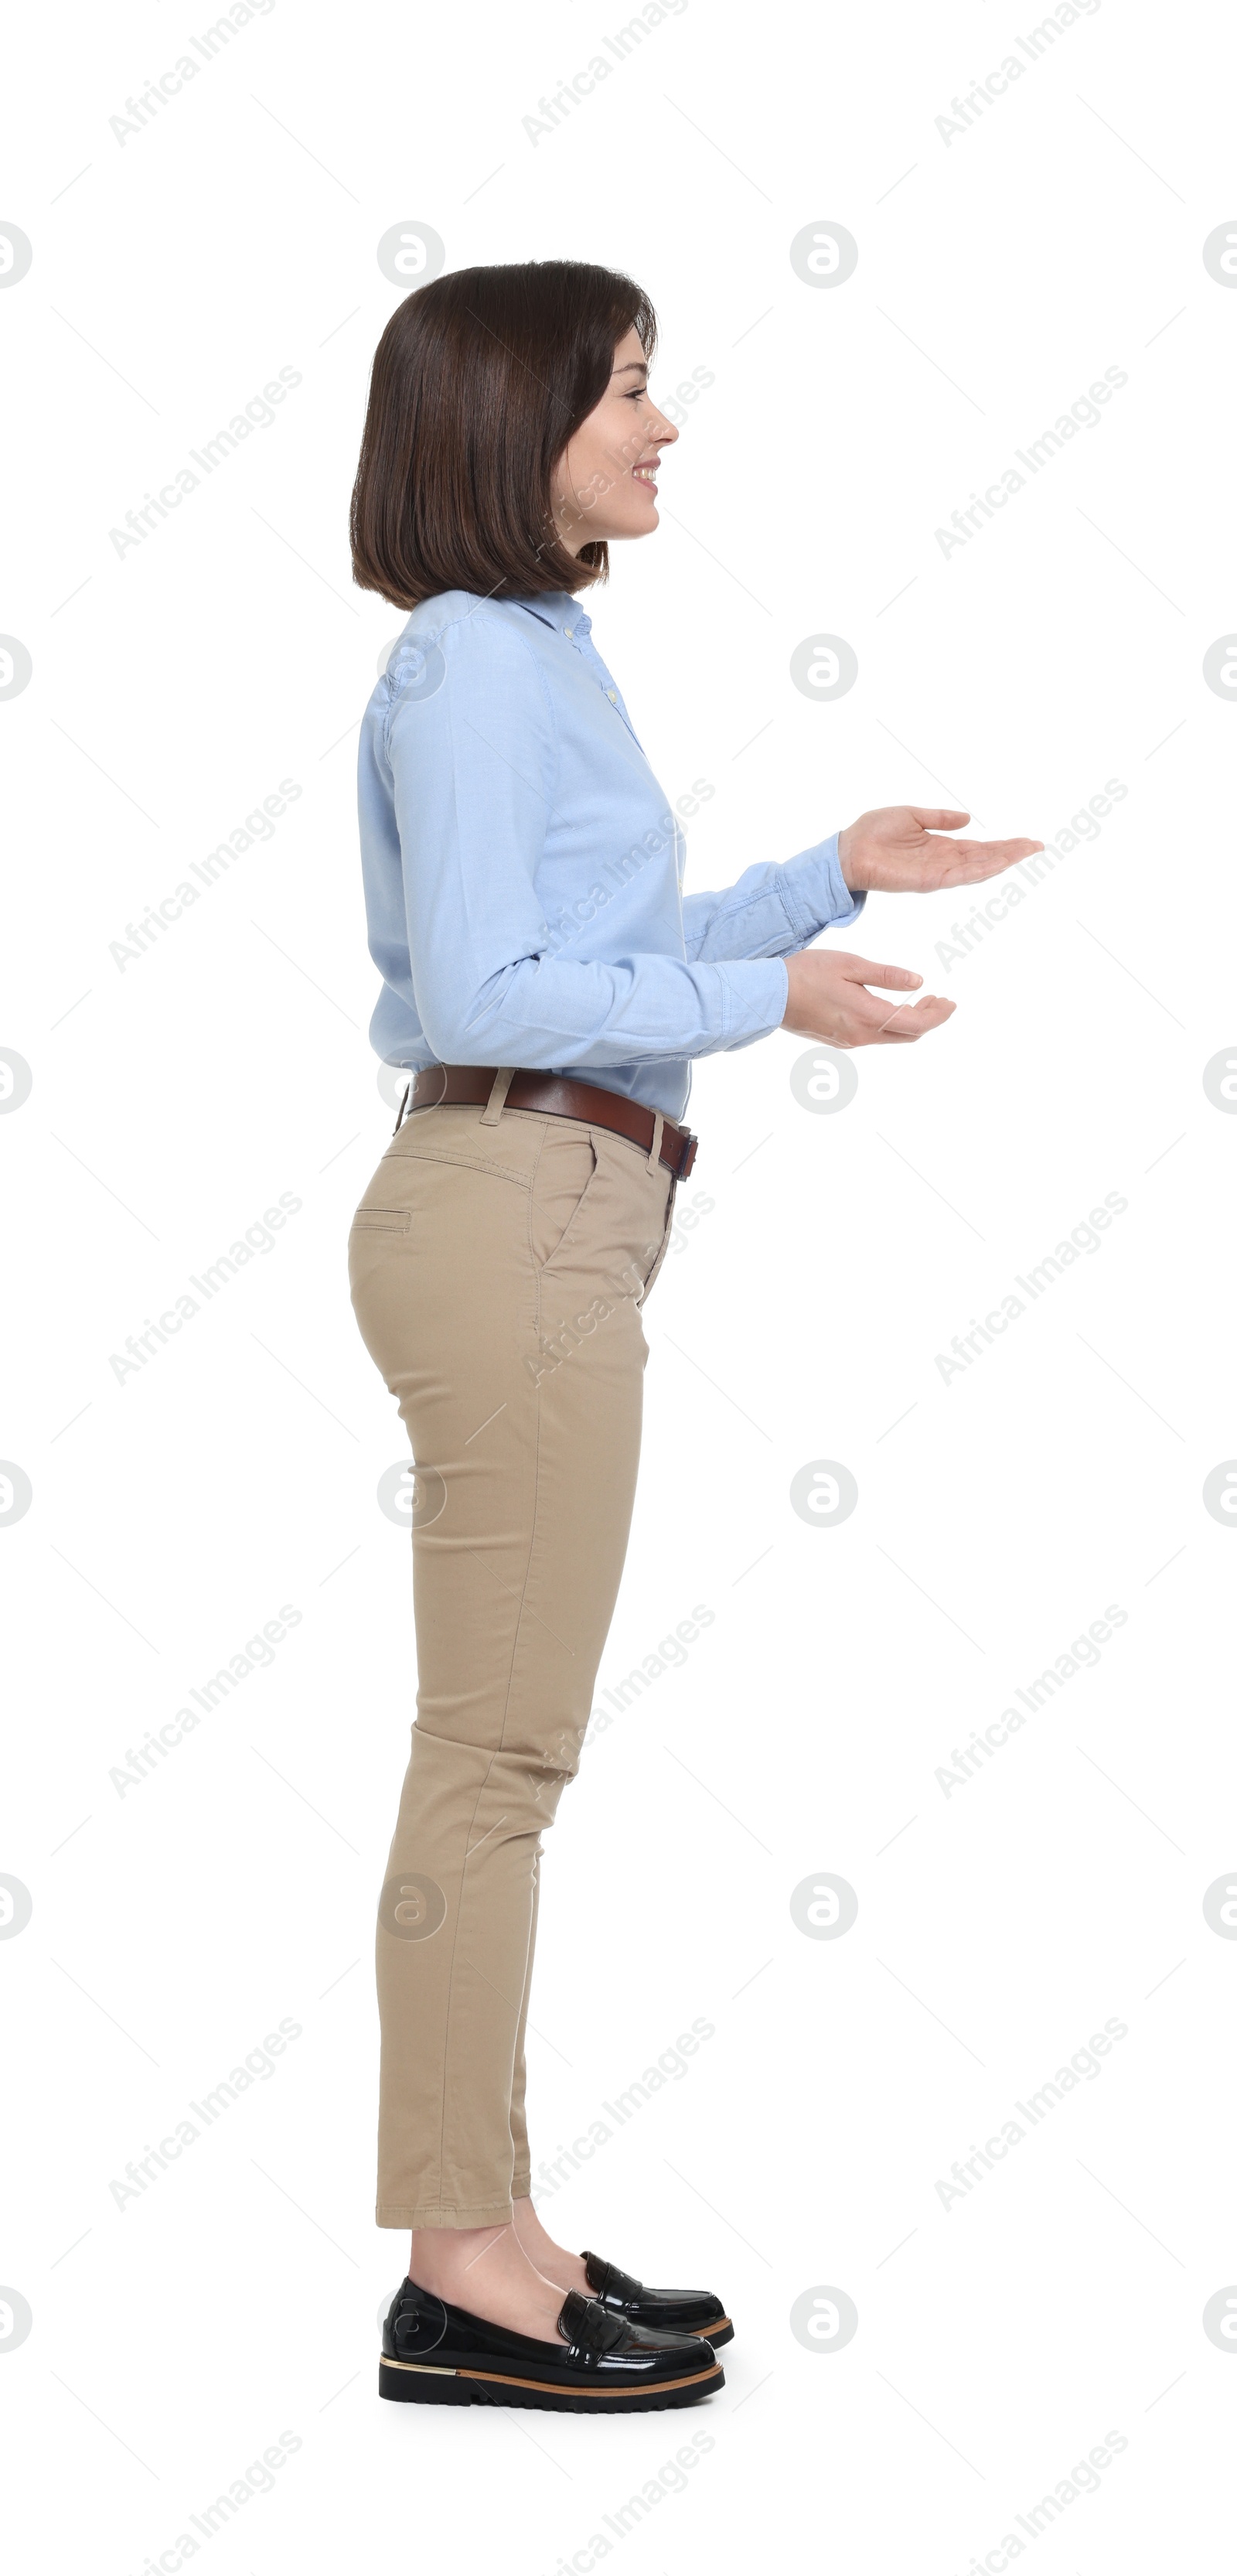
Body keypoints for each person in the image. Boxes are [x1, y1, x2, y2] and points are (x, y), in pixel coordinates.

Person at [347, 259, 1041, 2413]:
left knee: (504, 1745)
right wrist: (767, 999)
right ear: (508, 419)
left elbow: (600, 955)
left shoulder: (537, 654)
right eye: (627, 389)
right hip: (514, 1210)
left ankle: (504, 2231)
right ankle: (465, 2264)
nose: (662, 427)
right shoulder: (471, 662)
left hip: (553, 1208)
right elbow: (488, 996)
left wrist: (817, 881)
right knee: (498, 1753)